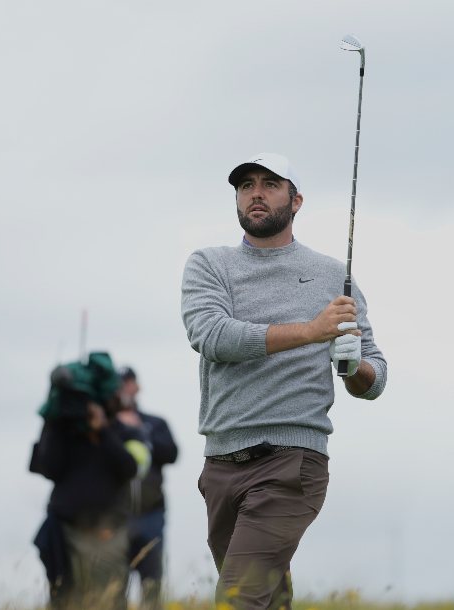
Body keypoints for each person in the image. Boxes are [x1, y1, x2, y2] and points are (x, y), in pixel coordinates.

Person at [180, 153, 388, 610]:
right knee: (267, 601)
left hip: (293, 463)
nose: (256, 192)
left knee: (239, 599)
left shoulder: (334, 275)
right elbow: (213, 336)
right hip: (221, 465)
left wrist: (354, 367)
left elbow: (373, 378)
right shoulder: (209, 265)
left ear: (295, 201)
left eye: (270, 184)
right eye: (246, 185)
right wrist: (311, 333)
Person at [30, 352, 143, 610]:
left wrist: (102, 430)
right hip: (65, 528)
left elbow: (129, 468)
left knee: (109, 602)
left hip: (107, 532)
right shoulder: (63, 429)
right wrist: (54, 421)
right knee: (65, 601)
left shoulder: (123, 431)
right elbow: (49, 467)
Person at [114, 366, 179, 610]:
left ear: (136, 386)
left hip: (151, 514)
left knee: (152, 584)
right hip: (115, 518)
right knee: (114, 585)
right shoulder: (106, 426)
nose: (125, 388)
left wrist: (139, 432)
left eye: (128, 382)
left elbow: (171, 454)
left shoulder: (155, 423)